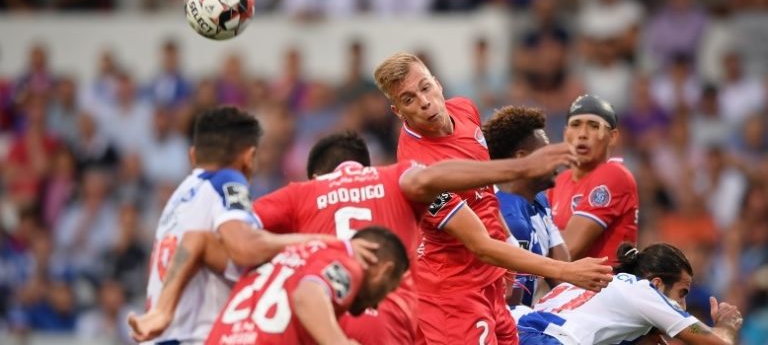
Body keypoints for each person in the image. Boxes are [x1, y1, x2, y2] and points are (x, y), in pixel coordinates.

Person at [129, 131, 609, 344]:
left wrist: (164, 308)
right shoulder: (396, 179)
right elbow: (454, 204)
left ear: (321, 172)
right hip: (389, 321)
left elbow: (210, 241)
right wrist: (519, 168)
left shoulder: (301, 194)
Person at [374, 52, 613, 344]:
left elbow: (484, 194)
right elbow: (480, 245)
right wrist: (567, 270)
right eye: (408, 99)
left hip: (490, 282)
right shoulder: (419, 170)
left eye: (425, 87)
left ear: (437, 83)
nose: (424, 102)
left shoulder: (464, 109)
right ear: (398, 111)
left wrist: (509, 247)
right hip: (452, 296)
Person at [142, 106, 330, 344]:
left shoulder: (179, 198)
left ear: (193, 155)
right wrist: (322, 241)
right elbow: (246, 247)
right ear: (249, 156)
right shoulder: (227, 180)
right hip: (195, 337)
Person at [208, 226, 408, 345]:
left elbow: (198, 239)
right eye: (388, 290)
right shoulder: (351, 265)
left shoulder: (288, 254)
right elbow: (307, 297)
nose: (376, 306)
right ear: (384, 270)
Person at [517, 243, 744, 345]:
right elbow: (717, 343)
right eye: (681, 293)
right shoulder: (644, 292)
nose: (682, 306)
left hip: (512, 330)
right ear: (657, 284)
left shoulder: (602, 289)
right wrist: (727, 325)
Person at [483, 106, 570, 313]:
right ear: (522, 158)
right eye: (546, 153)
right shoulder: (510, 220)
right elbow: (511, 306)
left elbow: (563, 278)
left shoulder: (538, 200)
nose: (556, 161)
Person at [547, 94, 639, 262]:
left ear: (612, 137)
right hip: (567, 285)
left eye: (594, 126)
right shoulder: (559, 181)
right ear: (565, 133)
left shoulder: (614, 175)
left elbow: (567, 250)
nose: (582, 134)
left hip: (606, 286)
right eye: (575, 125)